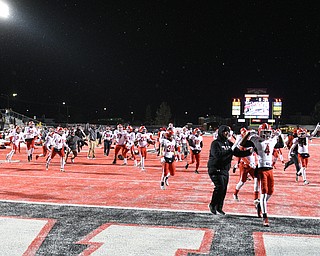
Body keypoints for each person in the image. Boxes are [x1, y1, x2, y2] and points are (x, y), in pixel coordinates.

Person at [240, 123, 284, 227]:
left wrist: (280, 135)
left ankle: (260, 204)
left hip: (270, 169)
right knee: (263, 193)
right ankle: (265, 217)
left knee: (271, 192)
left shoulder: (272, 140)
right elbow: (243, 144)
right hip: (261, 169)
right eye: (264, 133)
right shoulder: (255, 139)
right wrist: (248, 134)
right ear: (260, 132)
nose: (266, 135)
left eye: (268, 133)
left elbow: (281, 145)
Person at [208, 125, 252, 216]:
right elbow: (218, 155)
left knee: (223, 189)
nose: (227, 133)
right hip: (215, 168)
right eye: (225, 131)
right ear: (220, 132)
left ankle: (219, 208)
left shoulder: (228, 142)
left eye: (228, 132)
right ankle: (212, 205)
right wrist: (231, 149)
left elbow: (237, 152)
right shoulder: (215, 143)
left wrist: (249, 152)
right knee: (219, 187)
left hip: (225, 169)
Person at [232, 127, 259, 202]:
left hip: (252, 164)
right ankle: (235, 193)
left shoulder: (251, 142)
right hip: (245, 166)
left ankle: (256, 198)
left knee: (257, 180)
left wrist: (256, 162)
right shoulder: (241, 144)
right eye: (244, 133)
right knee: (242, 182)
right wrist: (249, 163)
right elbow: (241, 156)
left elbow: (255, 153)